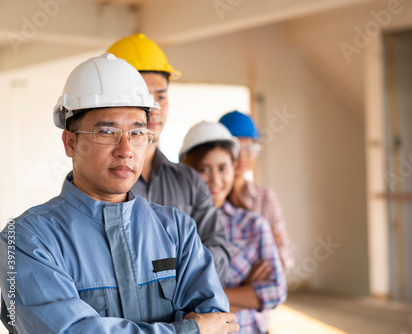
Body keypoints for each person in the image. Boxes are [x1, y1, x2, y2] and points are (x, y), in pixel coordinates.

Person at [0, 54, 239, 334]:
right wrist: (188, 329)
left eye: (137, 133)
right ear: (70, 143)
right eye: (107, 131)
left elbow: (219, 323)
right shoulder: (27, 240)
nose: (125, 149)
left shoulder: (176, 229)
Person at [107, 34, 231, 283]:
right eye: (142, 95)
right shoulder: (100, 182)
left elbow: (221, 260)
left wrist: (161, 270)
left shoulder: (189, 181)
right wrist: (187, 265)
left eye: (161, 96)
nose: (155, 108)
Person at [180, 121, 287, 334]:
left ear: (233, 168)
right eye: (203, 169)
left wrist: (202, 303)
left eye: (223, 168)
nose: (215, 180)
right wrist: (244, 293)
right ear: (187, 171)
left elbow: (276, 290)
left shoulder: (253, 225)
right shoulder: (176, 225)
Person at [219, 111, 295, 271]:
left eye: (249, 148)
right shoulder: (210, 196)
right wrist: (262, 247)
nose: (242, 157)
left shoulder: (265, 196)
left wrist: (266, 266)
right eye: (235, 148)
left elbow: (286, 252)